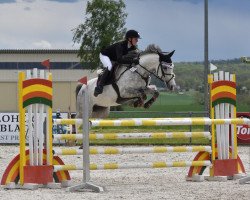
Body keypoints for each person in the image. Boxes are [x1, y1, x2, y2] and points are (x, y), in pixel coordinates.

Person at [94, 29, 141, 97]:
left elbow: (134, 56)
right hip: (105, 55)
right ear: (129, 39)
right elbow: (119, 60)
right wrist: (133, 61)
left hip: (114, 58)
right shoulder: (120, 46)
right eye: (136, 39)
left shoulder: (133, 48)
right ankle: (99, 86)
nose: (137, 40)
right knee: (110, 66)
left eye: (137, 39)